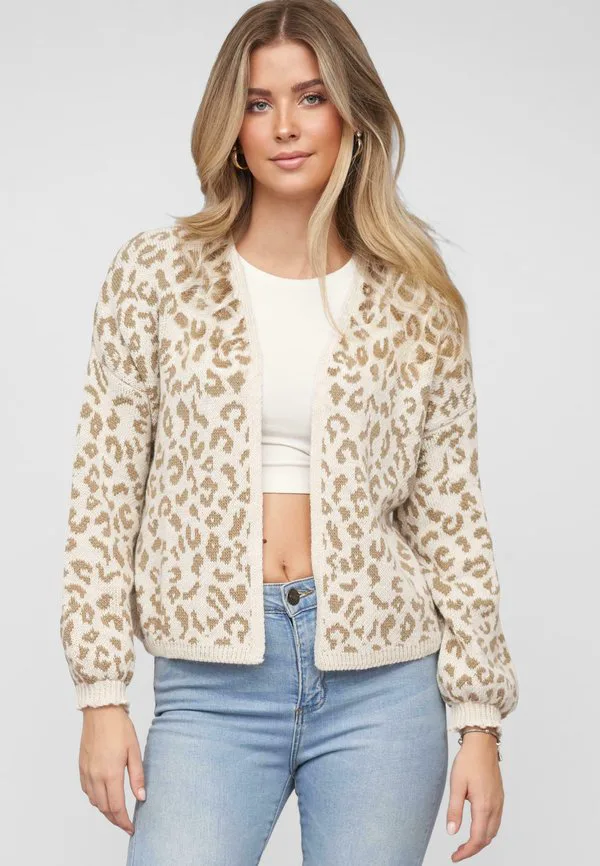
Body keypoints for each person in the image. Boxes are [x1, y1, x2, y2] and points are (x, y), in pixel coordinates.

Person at [59, 2, 519, 864]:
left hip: (384, 689)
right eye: (258, 103)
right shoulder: (156, 275)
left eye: (310, 97)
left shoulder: (416, 300)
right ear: (231, 127)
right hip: (212, 688)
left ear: (351, 111)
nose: (285, 126)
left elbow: (452, 520)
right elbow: (104, 492)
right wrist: (102, 695)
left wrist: (480, 723)